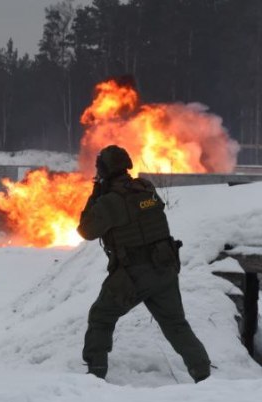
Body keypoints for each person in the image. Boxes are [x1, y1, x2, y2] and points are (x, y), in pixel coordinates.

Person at [77, 145, 212, 382]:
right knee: (175, 324)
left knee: (101, 316)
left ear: (105, 170)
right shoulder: (146, 188)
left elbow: (86, 230)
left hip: (133, 274)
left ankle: (95, 376)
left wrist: (95, 193)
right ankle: (202, 373)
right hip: (164, 267)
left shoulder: (111, 201)